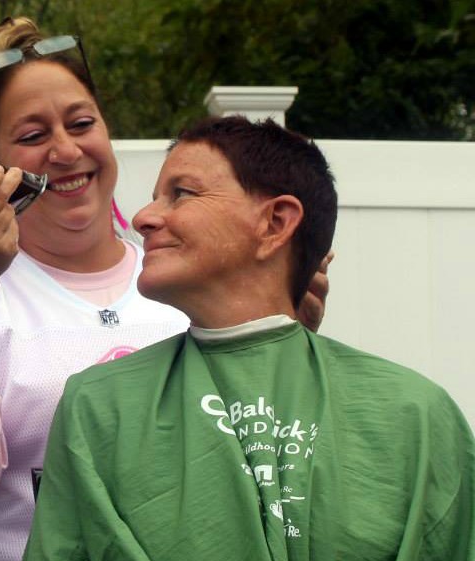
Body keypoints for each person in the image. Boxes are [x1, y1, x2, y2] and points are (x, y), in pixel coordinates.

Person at [0, 17, 330, 561]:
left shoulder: (186, 274)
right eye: (32, 136)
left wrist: (284, 339)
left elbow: (269, 445)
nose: (67, 152)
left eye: (81, 123)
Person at [24, 116, 475, 560]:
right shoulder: (96, 407)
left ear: (276, 222)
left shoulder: (417, 415)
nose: (143, 218)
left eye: (181, 193)